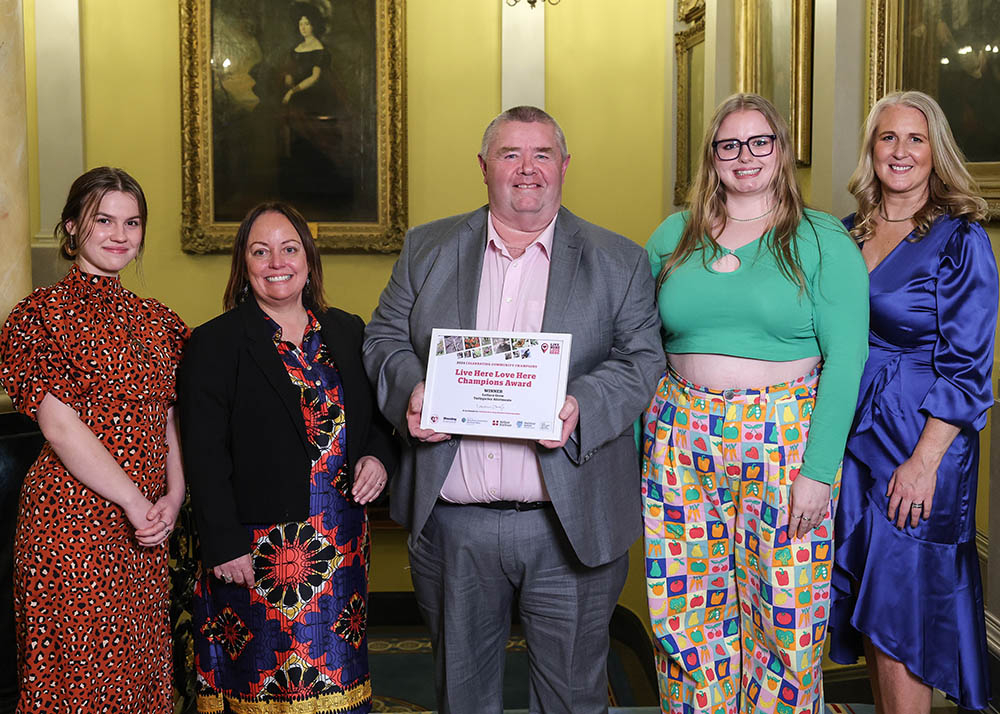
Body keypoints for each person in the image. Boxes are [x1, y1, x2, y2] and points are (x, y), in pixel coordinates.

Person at [363, 105, 664, 713]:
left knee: (574, 698)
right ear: (483, 168)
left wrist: (581, 403)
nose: (527, 170)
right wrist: (412, 391)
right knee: (463, 698)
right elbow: (383, 338)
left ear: (564, 166)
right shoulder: (428, 247)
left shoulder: (619, 260)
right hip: (453, 526)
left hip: (569, 524)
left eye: (542, 154)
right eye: (510, 155)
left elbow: (642, 361)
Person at [642, 93, 869, 713]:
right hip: (680, 434)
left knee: (786, 616)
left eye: (760, 142)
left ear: (782, 151)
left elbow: (847, 361)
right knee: (687, 617)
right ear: (712, 157)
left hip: (785, 438)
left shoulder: (823, 240)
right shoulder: (673, 235)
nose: (745, 157)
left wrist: (819, 472)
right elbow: (636, 342)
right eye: (729, 145)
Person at [178, 202, 397, 714]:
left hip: (341, 548)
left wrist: (378, 459)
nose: (276, 261)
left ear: (308, 258)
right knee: (261, 688)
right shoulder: (214, 343)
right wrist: (224, 545)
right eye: (260, 251)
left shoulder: (347, 330)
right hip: (255, 555)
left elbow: (379, 424)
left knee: (338, 690)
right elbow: (204, 455)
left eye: (289, 248)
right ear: (243, 263)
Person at [829, 91, 998, 714]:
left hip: (921, 441)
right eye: (887, 138)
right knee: (875, 610)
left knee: (903, 611)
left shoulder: (960, 239)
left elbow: (968, 366)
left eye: (915, 139)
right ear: (870, 149)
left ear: (936, 153)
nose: (900, 152)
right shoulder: (847, 232)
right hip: (855, 434)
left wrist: (924, 462)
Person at [0, 167, 188, 712]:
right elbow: (58, 426)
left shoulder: (161, 324)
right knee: (78, 679)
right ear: (70, 226)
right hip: (70, 526)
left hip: (146, 530)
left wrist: (173, 498)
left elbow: (171, 420)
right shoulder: (39, 314)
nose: (119, 234)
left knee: (139, 674)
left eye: (132, 222)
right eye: (102, 219)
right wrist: (133, 500)